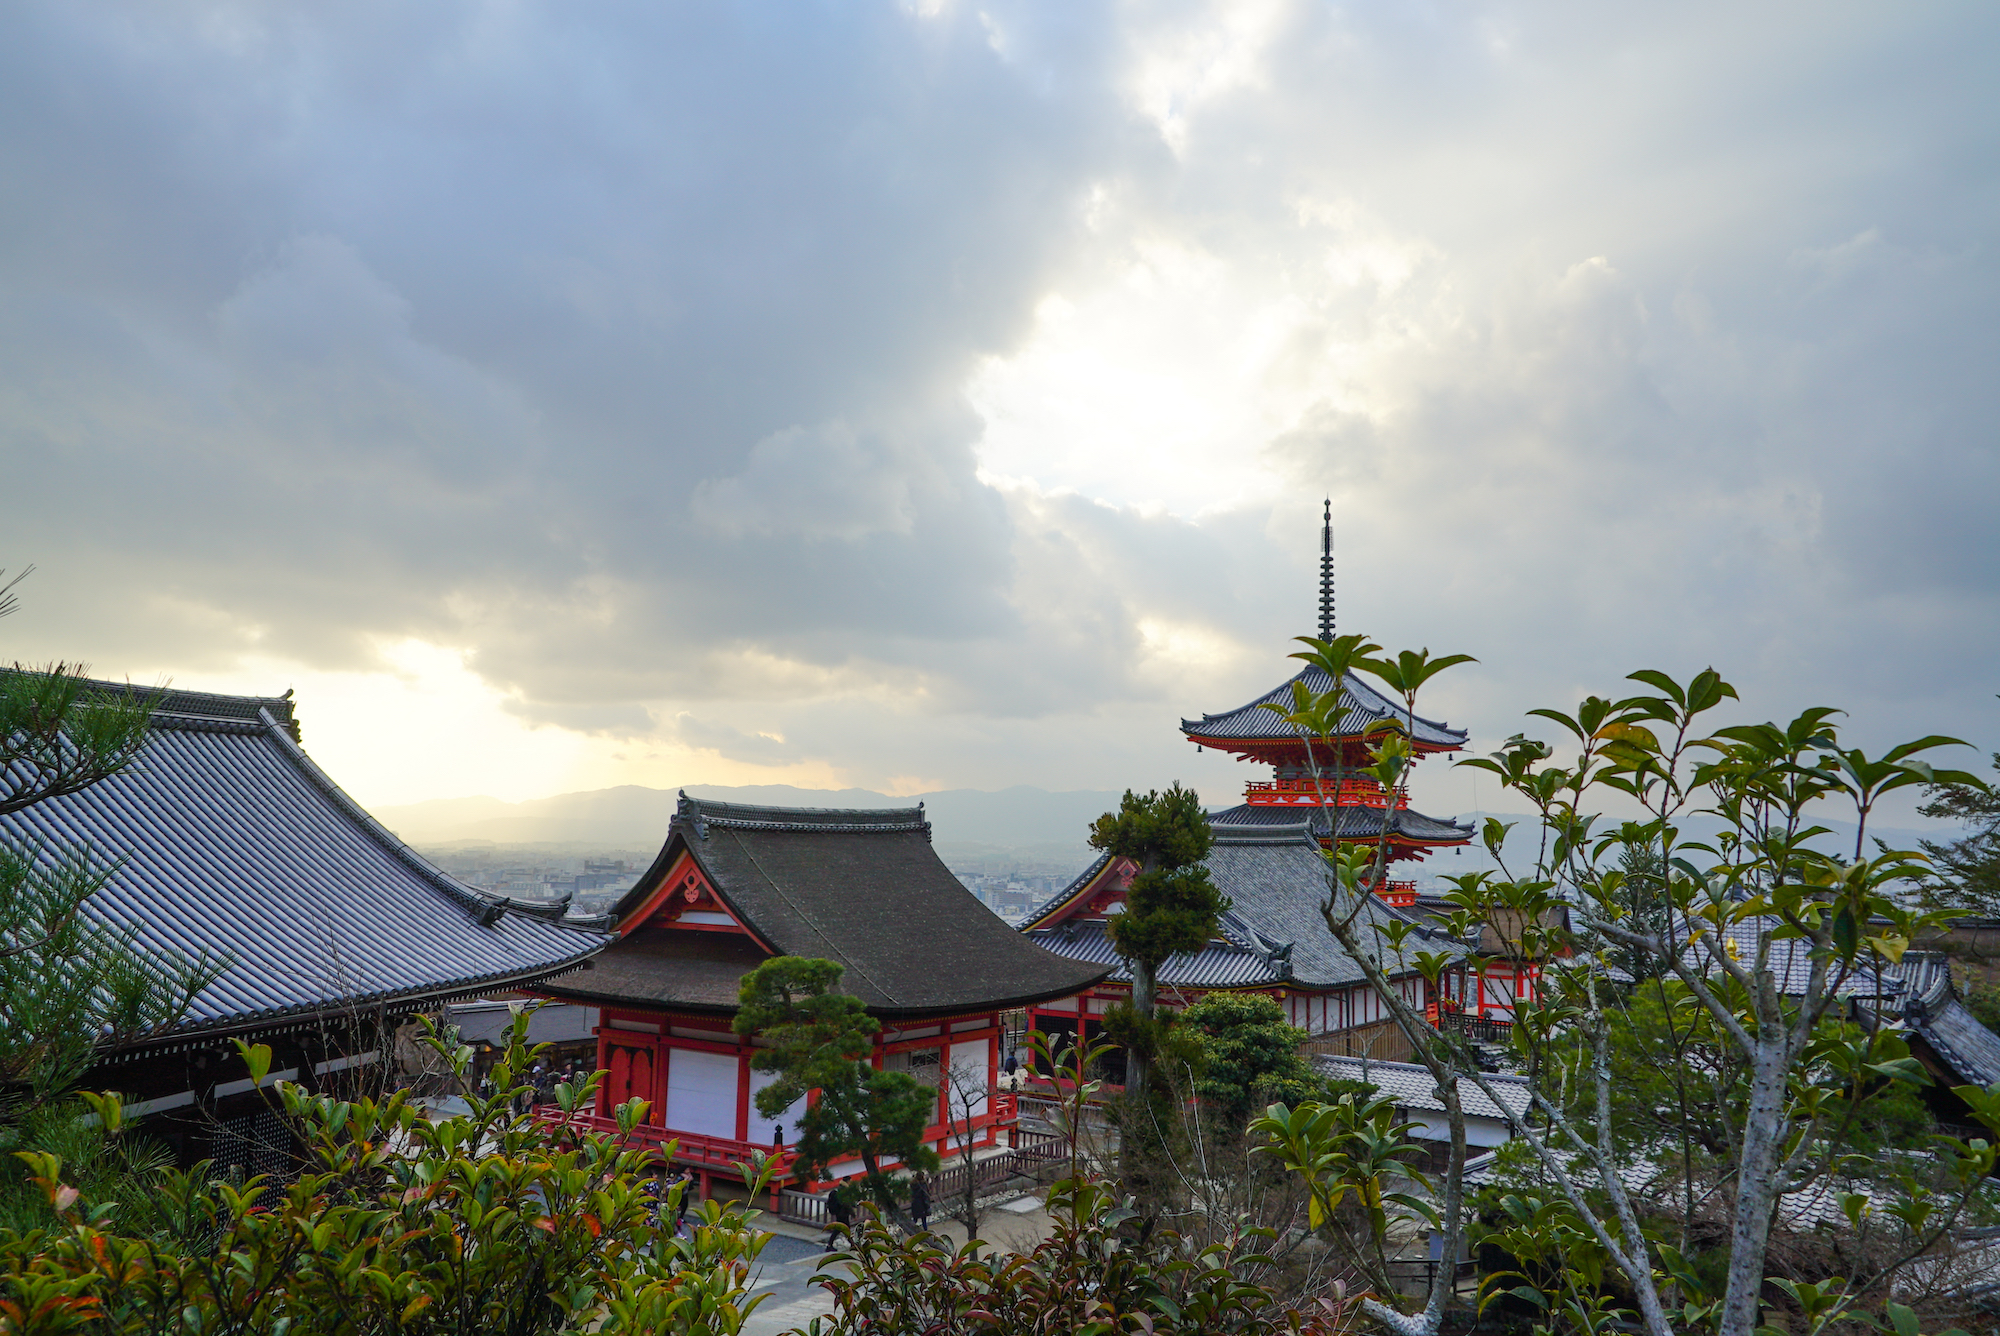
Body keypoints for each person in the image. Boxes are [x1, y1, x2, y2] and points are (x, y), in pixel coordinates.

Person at [823, 1177, 855, 1251]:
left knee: (842, 1228)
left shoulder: (838, 1189)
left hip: (839, 1212)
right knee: (842, 1229)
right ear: (847, 1181)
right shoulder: (844, 1190)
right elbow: (846, 1204)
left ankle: (852, 1244)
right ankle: (829, 1245)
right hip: (843, 1213)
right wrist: (853, 1214)